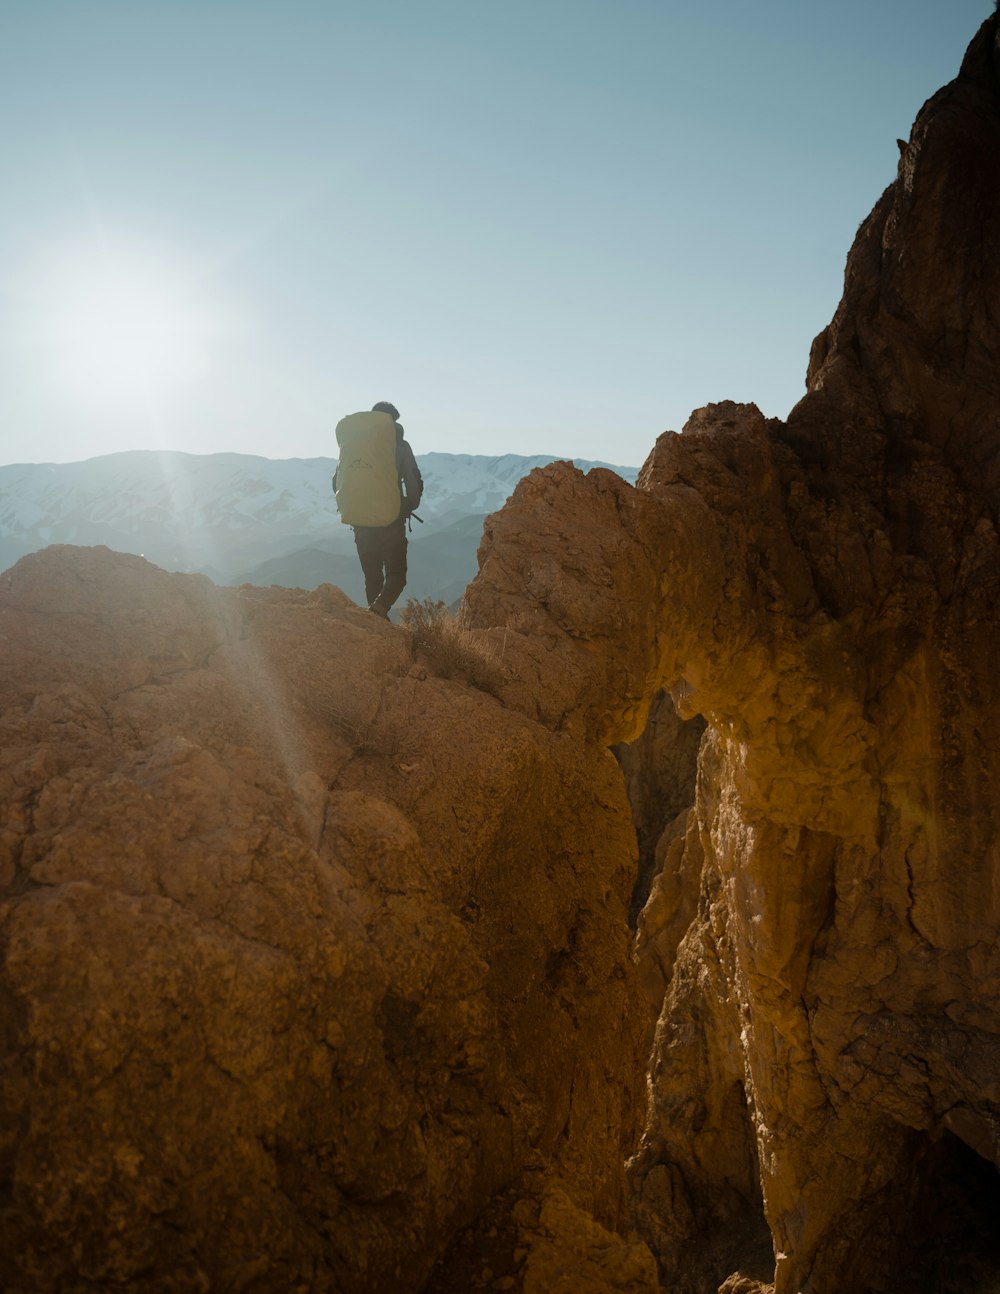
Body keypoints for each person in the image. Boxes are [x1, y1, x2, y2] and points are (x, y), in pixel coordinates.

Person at [337, 400, 422, 618]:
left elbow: (337, 481)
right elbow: (413, 481)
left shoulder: (355, 445)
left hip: (360, 520)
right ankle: (380, 610)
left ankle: (376, 620)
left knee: (372, 577)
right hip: (390, 519)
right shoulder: (399, 445)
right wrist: (407, 505)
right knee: (396, 575)